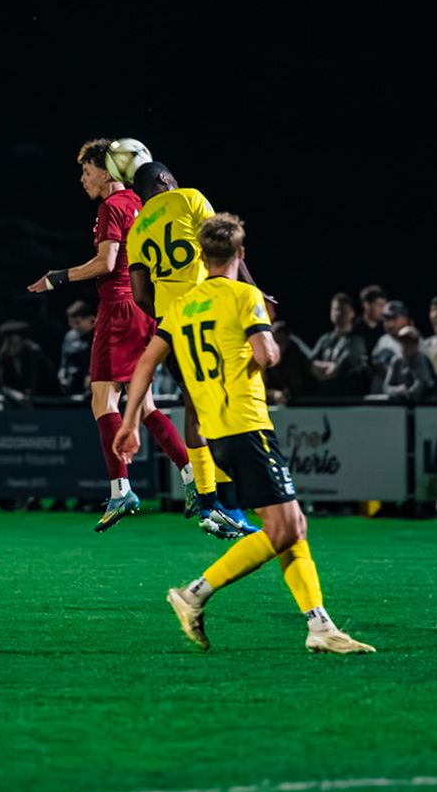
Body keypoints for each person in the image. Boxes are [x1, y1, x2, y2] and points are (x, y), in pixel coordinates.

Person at [113, 214, 373, 655]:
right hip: (246, 425)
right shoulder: (245, 296)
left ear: (201, 255)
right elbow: (267, 354)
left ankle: (319, 624)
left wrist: (130, 420)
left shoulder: (180, 306)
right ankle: (195, 593)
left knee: (293, 527)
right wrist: (264, 335)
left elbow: (145, 364)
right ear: (241, 254)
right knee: (285, 527)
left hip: (214, 434)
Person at [26, 139, 178, 533]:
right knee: (144, 406)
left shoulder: (112, 205)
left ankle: (121, 489)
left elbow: (107, 262)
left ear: (107, 171)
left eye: (87, 171)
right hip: (146, 308)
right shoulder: (141, 203)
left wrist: (56, 278)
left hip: (120, 310)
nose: (82, 179)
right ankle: (196, 479)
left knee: (103, 400)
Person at [125, 159, 268, 535]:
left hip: (173, 326)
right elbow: (223, 247)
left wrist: (171, 314)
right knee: (223, 408)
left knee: (194, 405)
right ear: (164, 179)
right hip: (213, 316)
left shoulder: (137, 228)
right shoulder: (188, 198)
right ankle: (229, 504)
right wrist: (253, 292)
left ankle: (209, 504)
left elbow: (139, 294)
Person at [308, 293, 371, 397]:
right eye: (335, 309)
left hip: (348, 398)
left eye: (343, 310)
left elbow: (341, 367)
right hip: (324, 396)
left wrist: (329, 368)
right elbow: (311, 362)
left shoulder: (357, 340)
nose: (338, 313)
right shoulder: (325, 339)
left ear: (352, 313)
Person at [0, 321, 58, 403]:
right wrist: (12, 393)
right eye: (7, 342)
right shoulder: (4, 355)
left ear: (24, 341)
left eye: (13, 343)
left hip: (44, 400)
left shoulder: (33, 353)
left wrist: (24, 396)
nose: (10, 347)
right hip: (19, 401)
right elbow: (3, 384)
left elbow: (32, 385)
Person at [382, 326, 437, 403]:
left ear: (416, 344)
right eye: (402, 342)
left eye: (408, 342)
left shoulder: (422, 360)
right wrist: (398, 390)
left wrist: (408, 392)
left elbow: (421, 385)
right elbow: (386, 388)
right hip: (400, 408)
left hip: (423, 407)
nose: (404, 346)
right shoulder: (396, 361)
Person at [56, 300, 95, 398]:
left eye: (77, 322)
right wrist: (62, 377)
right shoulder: (69, 337)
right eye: (71, 323)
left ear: (91, 319)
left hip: (91, 386)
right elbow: (64, 361)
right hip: (70, 384)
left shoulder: (98, 337)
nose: (74, 326)